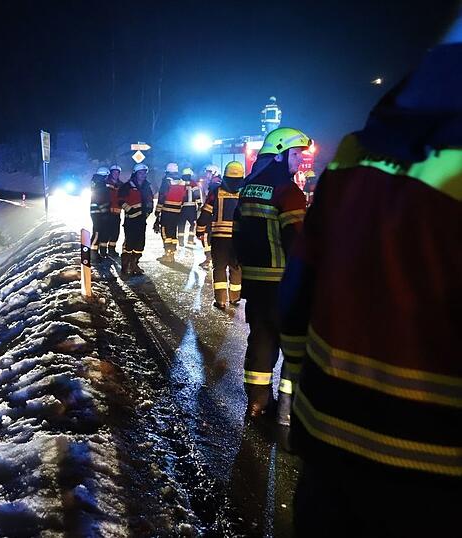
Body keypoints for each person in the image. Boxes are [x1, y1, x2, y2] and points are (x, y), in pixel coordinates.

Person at [280, 21, 461, 536]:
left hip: (329, 435)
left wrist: (298, 375)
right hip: (437, 467)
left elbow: (300, 284)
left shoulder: (355, 155)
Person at [232, 126, 310, 418]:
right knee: (293, 345)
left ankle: (257, 401)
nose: (299, 160)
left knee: (261, 339)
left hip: (255, 282)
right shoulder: (289, 192)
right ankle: (289, 412)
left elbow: (238, 233)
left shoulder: (248, 188)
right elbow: (297, 241)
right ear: (278, 155)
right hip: (282, 283)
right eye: (295, 153)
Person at [196, 161, 244, 310]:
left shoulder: (216, 191)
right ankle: (235, 297)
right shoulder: (245, 192)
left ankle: (221, 300)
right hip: (238, 237)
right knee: (236, 267)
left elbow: (206, 211)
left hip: (219, 237)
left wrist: (200, 229)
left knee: (219, 267)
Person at [118, 163, 155, 275]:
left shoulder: (146, 186)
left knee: (140, 244)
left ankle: (134, 264)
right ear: (135, 173)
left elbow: (150, 200)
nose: (143, 175)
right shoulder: (127, 186)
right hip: (130, 220)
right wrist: (129, 209)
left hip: (141, 220)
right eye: (141, 172)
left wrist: (149, 211)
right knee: (129, 243)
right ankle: (125, 266)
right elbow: (120, 200)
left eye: (144, 173)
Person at [154, 162, 186, 261]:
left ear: (167, 172)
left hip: (166, 211)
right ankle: (171, 254)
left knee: (165, 232)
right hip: (177, 212)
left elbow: (162, 196)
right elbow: (184, 197)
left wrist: (157, 211)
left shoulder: (167, 181)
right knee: (173, 233)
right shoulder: (182, 182)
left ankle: (167, 254)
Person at [88, 166, 113, 262]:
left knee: (99, 231)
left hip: (96, 212)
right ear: (105, 176)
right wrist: (104, 211)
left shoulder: (97, 183)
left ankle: (96, 253)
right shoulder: (100, 185)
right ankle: (93, 254)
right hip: (98, 213)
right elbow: (100, 200)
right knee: (97, 232)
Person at [179, 167, 204, 247]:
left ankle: (180, 241)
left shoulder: (180, 183)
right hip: (191, 208)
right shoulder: (193, 183)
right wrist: (199, 204)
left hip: (181, 207)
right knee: (193, 224)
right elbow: (196, 194)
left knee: (181, 224)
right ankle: (190, 240)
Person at [103, 165, 124, 259]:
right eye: (114, 172)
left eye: (117, 172)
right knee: (105, 231)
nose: (116, 174)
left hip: (117, 213)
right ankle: (102, 250)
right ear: (111, 173)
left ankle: (112, 249)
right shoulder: (106, 183)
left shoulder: (121, 184)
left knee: (115, 232)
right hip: (107, 212)